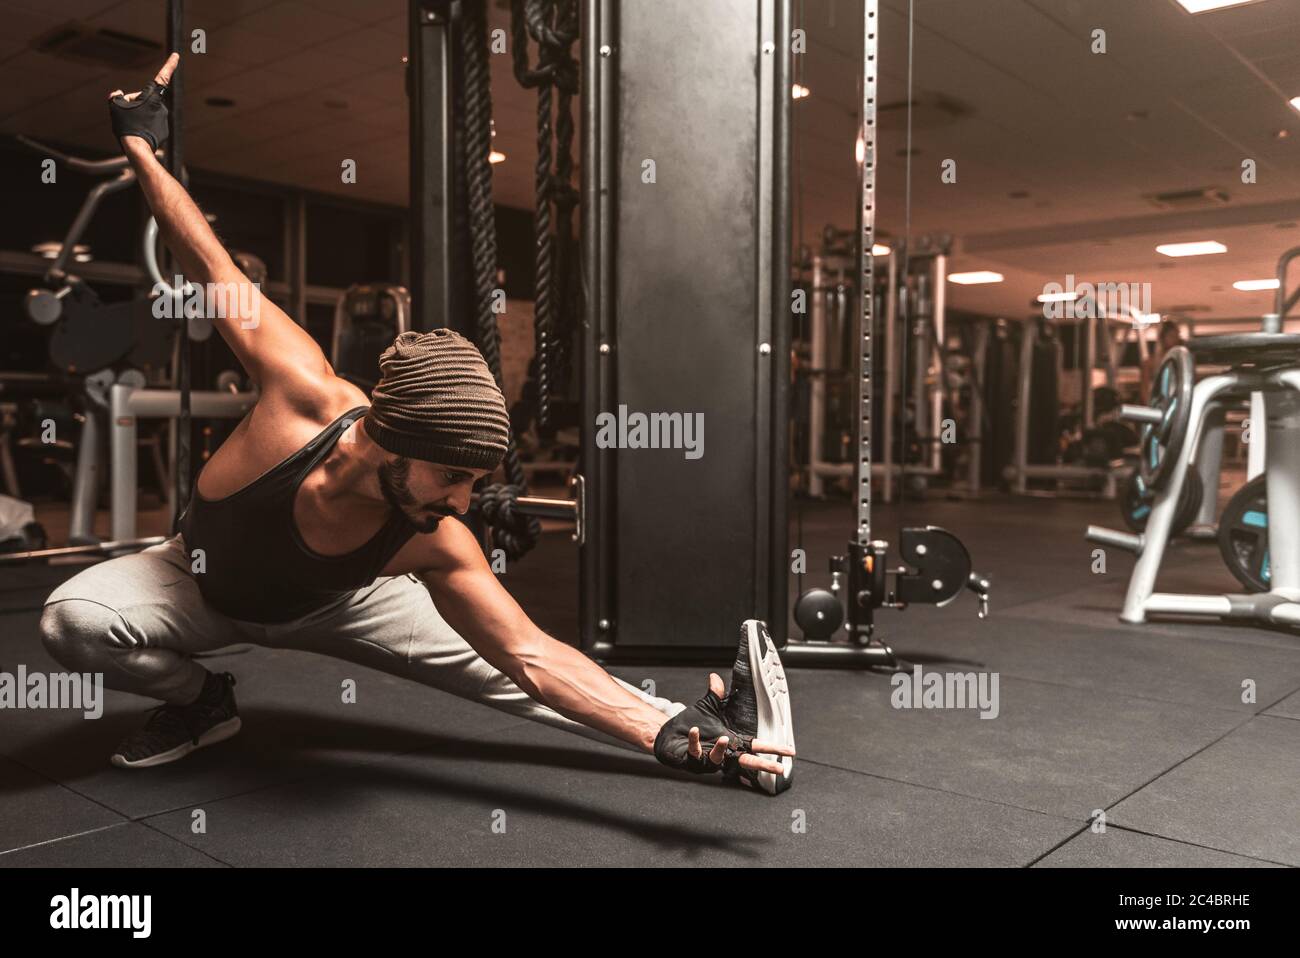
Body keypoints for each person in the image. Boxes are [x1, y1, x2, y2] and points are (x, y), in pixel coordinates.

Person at [39, 54, 796, 795]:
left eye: (472, 483)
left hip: (352, 603)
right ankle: (201, 701)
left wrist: (662, 739)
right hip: (201, 585)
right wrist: (142, 146)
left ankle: (713, 731)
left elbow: (531, 656)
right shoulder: (300, 396)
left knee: (504, 675)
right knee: (72, 620)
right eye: (453, 477)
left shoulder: (431, 540)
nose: (463, 504)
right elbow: (210, 267)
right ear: (392, 438)